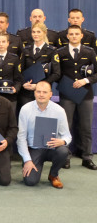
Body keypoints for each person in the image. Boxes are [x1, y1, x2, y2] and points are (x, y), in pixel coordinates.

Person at [56, 25, 97, 170]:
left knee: (86, 127)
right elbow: (56, 73)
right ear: (67, 36)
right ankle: (65, 157)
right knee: (65, 127)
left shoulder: (90, 52)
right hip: (67, 94)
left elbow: (96, 73)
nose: (73, 36)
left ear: (81, 36)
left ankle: (87, 157)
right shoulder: (60, 52)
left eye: (76, 34)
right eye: (71, 34)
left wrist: (85, 81)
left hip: (85, 94)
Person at [17, 81, 71, 188]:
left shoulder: (59, 111)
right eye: (38, 92)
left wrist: (62, 141)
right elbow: (21, 138)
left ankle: (53, 175)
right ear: (34, 93)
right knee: (30, 181)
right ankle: (31, 163)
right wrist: (27, 160)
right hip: (34, 149)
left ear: (51, 94)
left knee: (63, 151)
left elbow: (67, 136)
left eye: (45, 92)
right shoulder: (25, 109)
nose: (41, 95)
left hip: (52, 148)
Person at [19, 22, 61, 106]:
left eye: (38, 32)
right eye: (33, 32)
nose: (35, 34)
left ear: (44, 33)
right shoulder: (25, 50)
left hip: (43, 92)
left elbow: (56, 73)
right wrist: (24, 83)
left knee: (42, 117)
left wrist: (40, 85)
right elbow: (20, 70)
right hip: (27, 92)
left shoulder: (51, 51)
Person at [0, 32, 22, 105]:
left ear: (8, 43)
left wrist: (16, 88)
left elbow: (18, 78)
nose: (1, 44)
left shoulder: (14, 58)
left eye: (3, 42)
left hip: (10, 96)